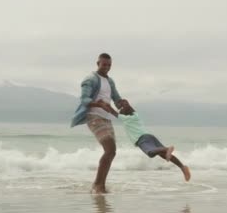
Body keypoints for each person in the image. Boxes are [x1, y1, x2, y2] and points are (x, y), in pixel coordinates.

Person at [71, 53, 127, 194]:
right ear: (98, 63)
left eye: (109, 65)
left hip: (106, 118)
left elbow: (116, 98)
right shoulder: (90, 79)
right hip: (94, 116)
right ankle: (98, 185)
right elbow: (84, 99)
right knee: (109, 148)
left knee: (112, 152)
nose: (107, 67)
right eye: (104, 64)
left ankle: (100, 184)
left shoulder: (110, 81)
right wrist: (99, 104)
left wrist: (122, 103)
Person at [96, 100, 191, 182]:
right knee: (164, 155)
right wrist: (123, 103)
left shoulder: (125, 119)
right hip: (150, 137)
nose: (120, 111)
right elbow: (127, 106)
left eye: (121, 110)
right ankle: (183, 168)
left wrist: (101, 104)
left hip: (142, 140)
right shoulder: (135, 115)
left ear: (124, 113)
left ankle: (167, 148)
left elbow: (112, 111)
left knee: (150, 153)